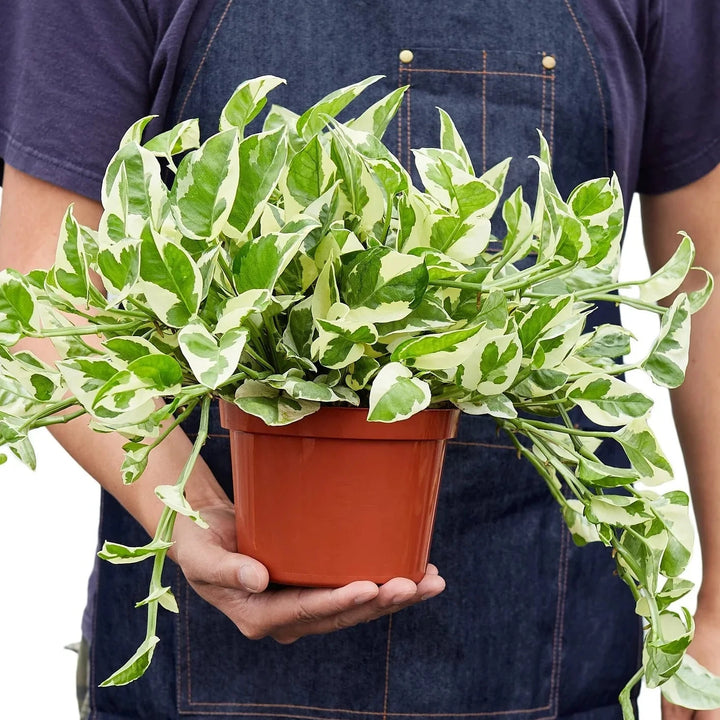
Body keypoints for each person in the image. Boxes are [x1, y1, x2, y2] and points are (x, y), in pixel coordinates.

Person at [1, 1, 719, 719]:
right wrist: (197, 518)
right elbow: (46, 280)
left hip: (549, 657)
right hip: (209, 666)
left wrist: (717, 616)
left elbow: (707, 279)